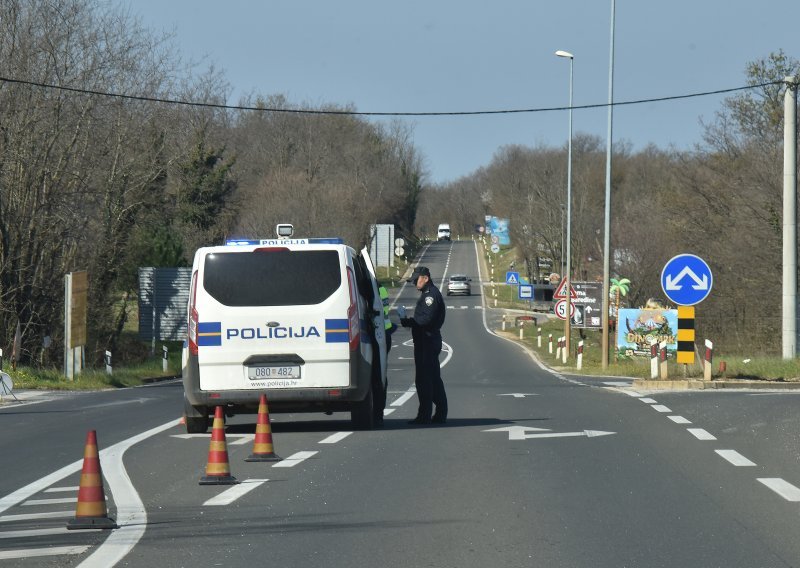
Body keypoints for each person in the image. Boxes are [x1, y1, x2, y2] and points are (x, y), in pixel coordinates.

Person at [400, 266, 447, 425]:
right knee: (432, 379)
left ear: (425, 278)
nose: (415, 283)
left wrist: (406, 321)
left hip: (427, 341)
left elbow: (425, 320)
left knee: (424, 380)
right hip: (426, 340)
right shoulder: (428, 294)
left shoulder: (430, 296)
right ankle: (439, 414)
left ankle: (425, 415)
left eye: (416, 280)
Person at [374, 285, 396, 427]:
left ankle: (377, 413)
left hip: (377, 332)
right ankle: (378, 413)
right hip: (385, 331)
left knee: (376, 376)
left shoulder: (372, 288)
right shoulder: (380, 288)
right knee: (380, 376)